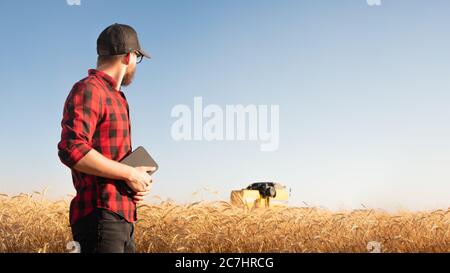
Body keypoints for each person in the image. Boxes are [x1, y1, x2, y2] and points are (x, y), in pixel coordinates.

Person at [57, 23, 154, 253]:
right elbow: (71, 148)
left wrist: (134, 182)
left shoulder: (117, 97)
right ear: (130, 57)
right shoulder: (90, 89)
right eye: (137, 58)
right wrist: (129, 173)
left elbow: (111, 161)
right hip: (100, 218)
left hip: (122, 219)